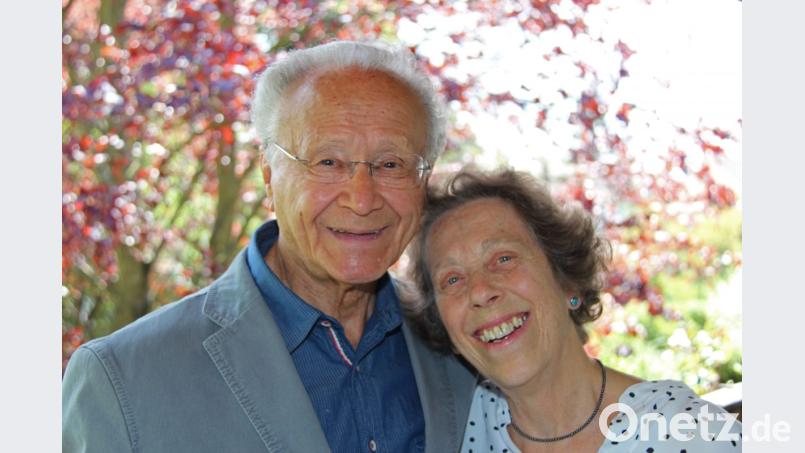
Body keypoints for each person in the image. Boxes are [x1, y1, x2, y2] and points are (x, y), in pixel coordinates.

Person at [62, 41, 476, 453]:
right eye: (327, 162)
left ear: (424, 181)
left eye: (391, 164)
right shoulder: (122, 379)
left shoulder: (466, 346)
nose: (362, 198)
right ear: (268, 173)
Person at [405, 169, 742, 453]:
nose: (479, 291)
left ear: (567, 282)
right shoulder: (449, 435)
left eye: (503, 259)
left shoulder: (691, 434)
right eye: (451, 280)